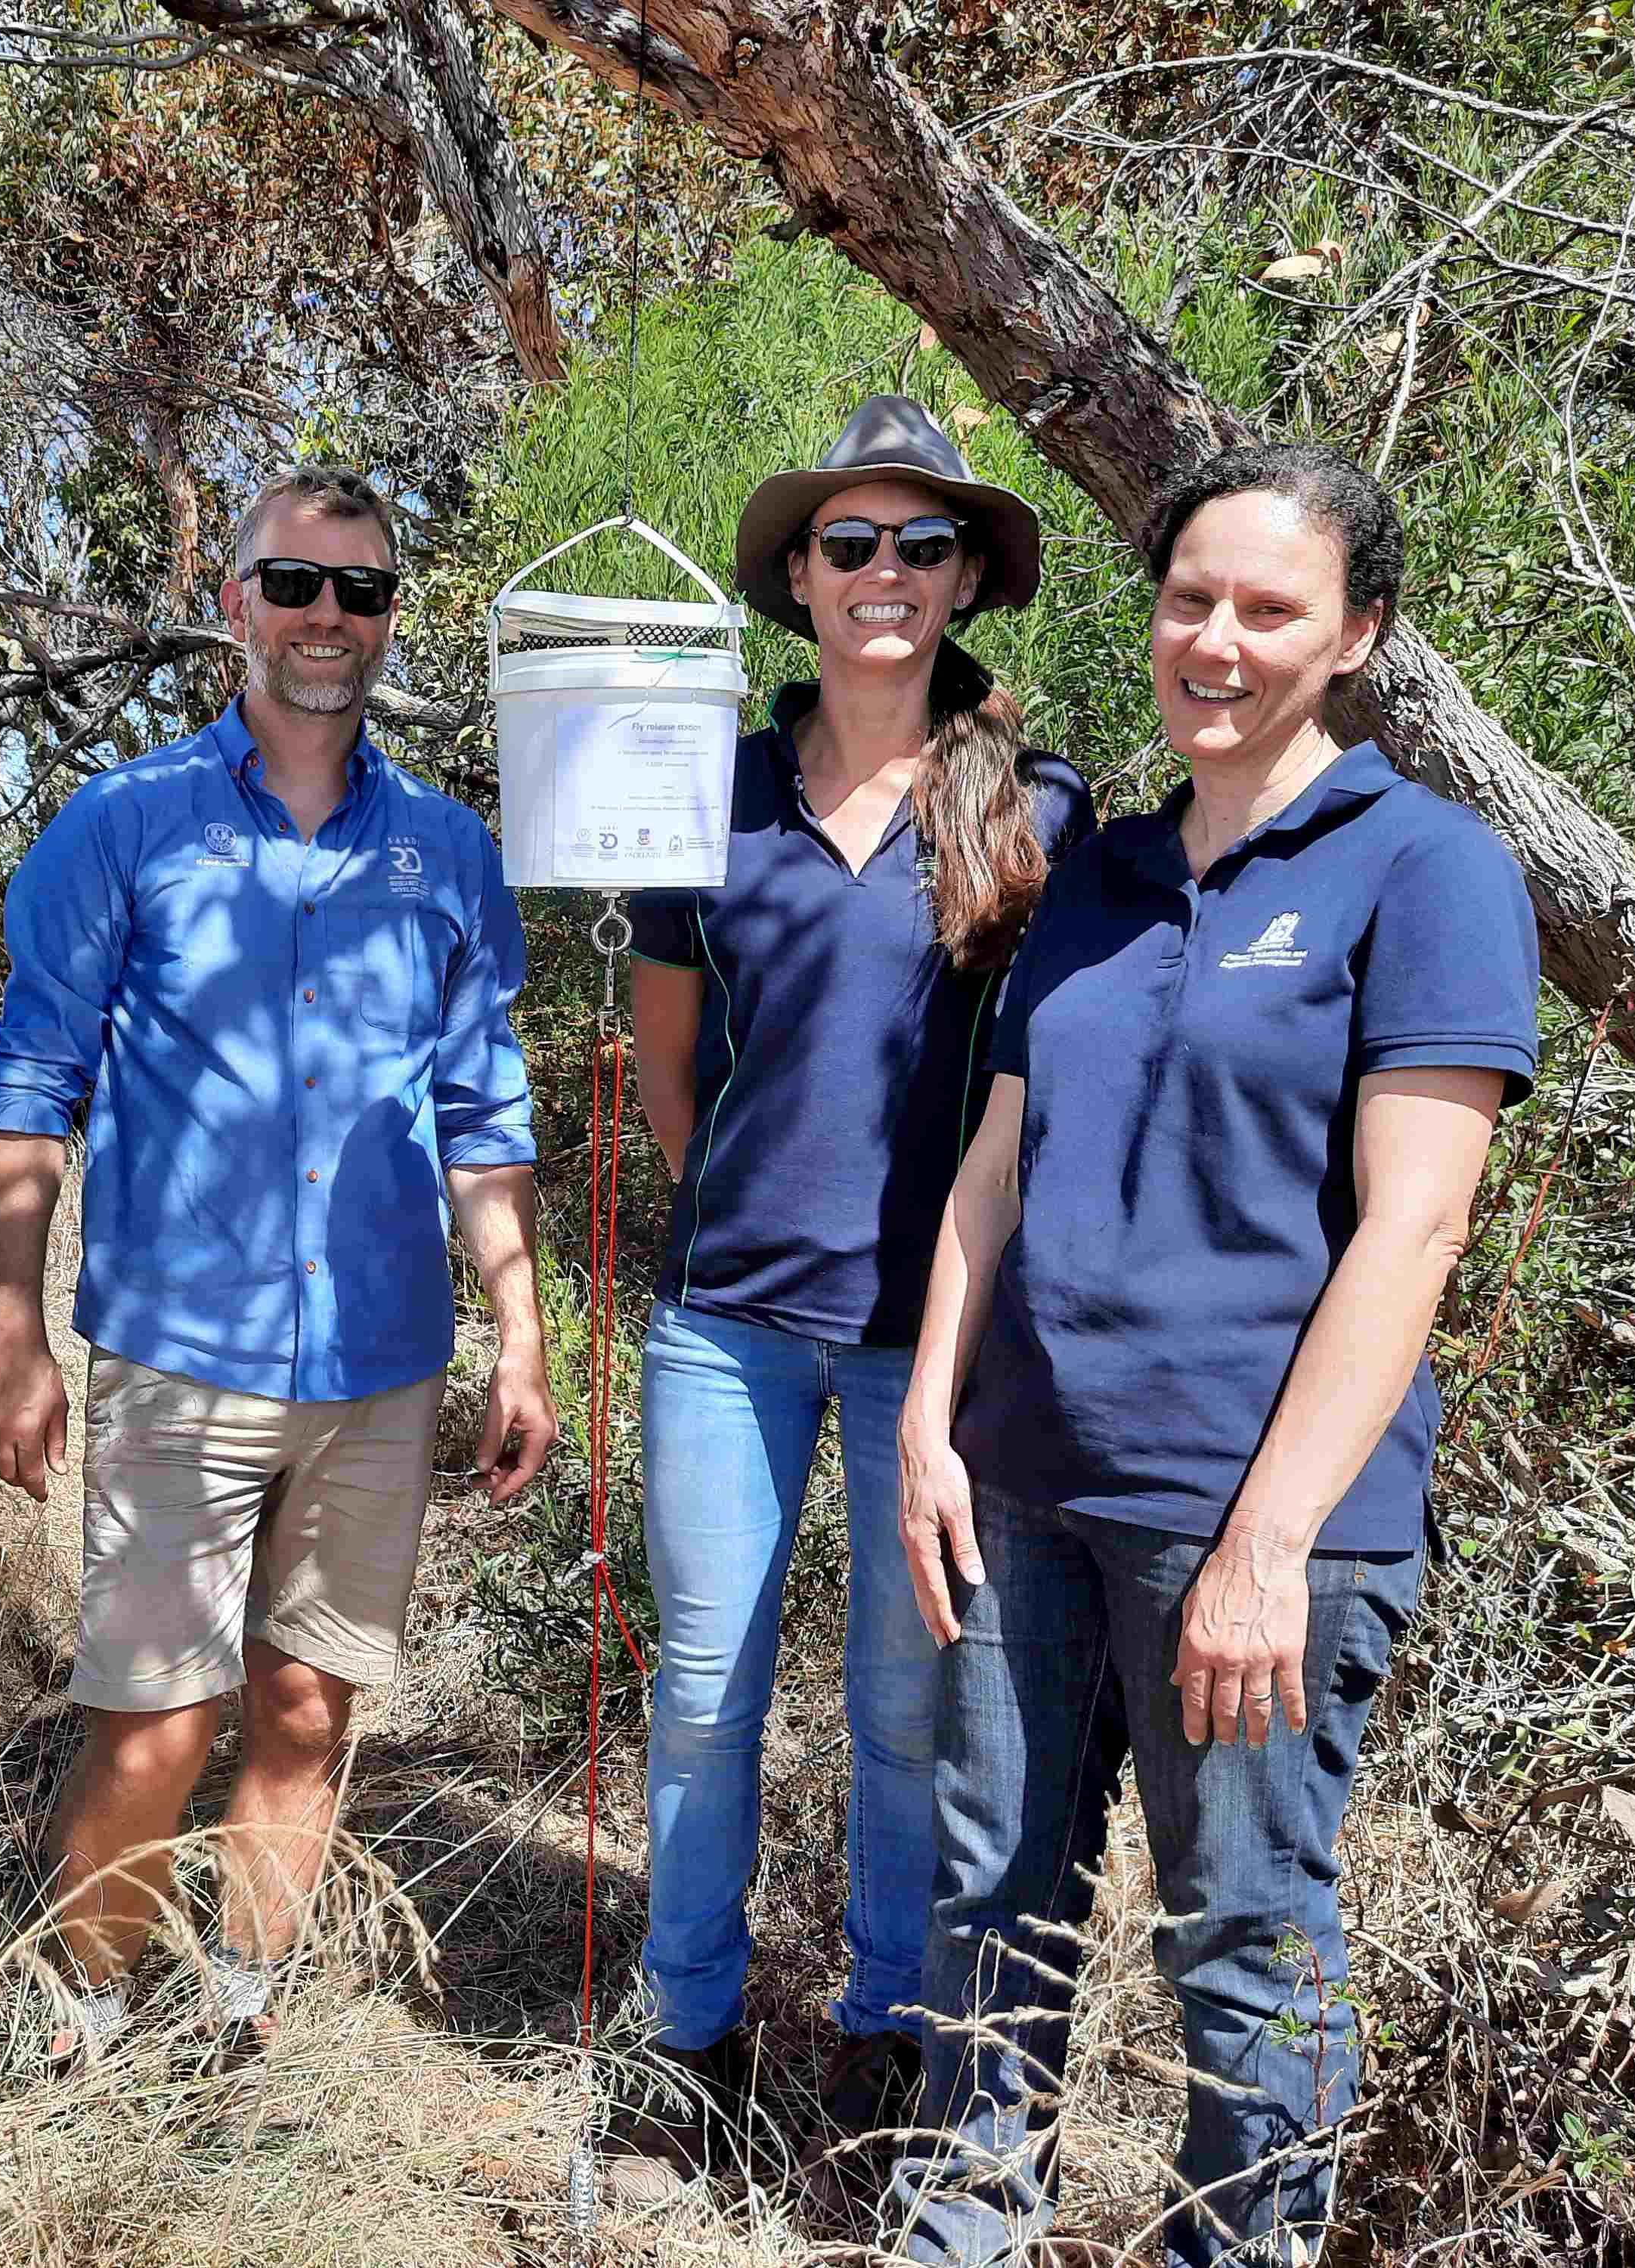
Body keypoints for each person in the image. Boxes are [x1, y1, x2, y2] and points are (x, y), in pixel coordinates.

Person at [886, 442, 1540, 2266]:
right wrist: (931, 1420)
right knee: (985, 1897)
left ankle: (1237, 2247)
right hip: (1023, 1485)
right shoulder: (1092, 873)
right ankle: (960, 2230)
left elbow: (1411, 1229)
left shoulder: (1424, 869)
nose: (1218, 640)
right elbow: (991, 1166)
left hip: (1254, 1520)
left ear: (1354, 636)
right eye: (1191, 599)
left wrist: (1263, 1545)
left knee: (1242, 1937)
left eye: (1268, 608)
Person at [0, 464, 558, 2060]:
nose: (324, 619)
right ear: (232, 603)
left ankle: (239, 2020)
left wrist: (519, 1332)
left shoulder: (445, 848)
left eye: (358, 592)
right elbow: (33, 1083)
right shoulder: (124, 823)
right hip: (180, 1351)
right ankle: (84, 2016)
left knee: (307, 1707)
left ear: (385, 620)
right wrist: (8, 1329)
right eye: (292, 585)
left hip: (378, 1365)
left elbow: (478, 1103)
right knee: (156, 1716)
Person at [621, 398, 1095, 2174]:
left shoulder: (1032, 805)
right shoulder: (711, 788)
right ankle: (685, 2030)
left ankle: (888, 2027)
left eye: (916, 546)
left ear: (963, 576)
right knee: (700, 1692)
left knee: (906, 1716)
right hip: (724, 1329)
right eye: (846, 545)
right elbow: (671, 1063)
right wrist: (739, 1216)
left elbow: (1036, 1088)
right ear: (797, 581)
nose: (880, 576)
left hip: (932, 1350)